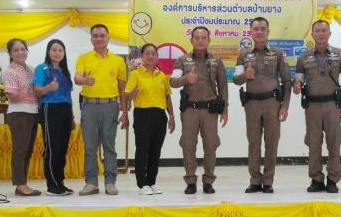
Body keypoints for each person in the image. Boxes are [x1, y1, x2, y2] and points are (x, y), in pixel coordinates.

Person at [294, 20, 341, 194]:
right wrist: (297, 85)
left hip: (333, 105)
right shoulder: (304, 57)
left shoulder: (340, 55)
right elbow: (299, 79)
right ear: (312, 34)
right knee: (313, 143)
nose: (320, 33)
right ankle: (316, 179)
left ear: (329, 33)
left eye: (324, 30)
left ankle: (333, 180)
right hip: (312, 106)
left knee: (334, 142)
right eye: (317, 31)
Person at [233, 16, 291, 193]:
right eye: (256, 29)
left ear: (268, 31)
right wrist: (245, 76)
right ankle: (255, 181)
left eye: (262, 29)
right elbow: (236, 79)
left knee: (271, 142)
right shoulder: (243, 55)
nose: (259, 32)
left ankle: (268, 181)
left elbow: (287, 81)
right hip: (251, 103)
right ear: (250, 32)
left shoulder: (278, 54)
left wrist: (285, 106)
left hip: (272, 103)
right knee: (253, 142)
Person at [170, 26, 228, 194]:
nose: (200, 40)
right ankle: (190, 181)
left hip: (210, 110)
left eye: (204, 38)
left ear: (209, 40)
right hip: (190, 110)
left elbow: (223, 86)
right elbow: (172, 82)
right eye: (197, 37)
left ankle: (208, 181)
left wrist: (225, 110)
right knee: (188, 145)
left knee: (211, 145)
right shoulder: (182, 60)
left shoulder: (216, 61)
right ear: (191, 40)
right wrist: (186, 79)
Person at [74, 24, 128, 196]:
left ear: (108, 38)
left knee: (109, 146)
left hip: (111, 106)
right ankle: (91, 183)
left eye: (102, 35)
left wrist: (125, 112)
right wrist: (84, 80)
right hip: (89, 106)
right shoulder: (84, 57)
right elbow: (77, 78)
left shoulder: (118, 60)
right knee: (90, 147)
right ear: (91, 38)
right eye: (95, 36)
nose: (99, 38)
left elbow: (122, 89)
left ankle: (110, 182)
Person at [125, 43, 175, 194]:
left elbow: (167, 97)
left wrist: (171, 117)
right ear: (142, 56)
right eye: (147, 53)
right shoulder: (135, 74)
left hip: (160, 116)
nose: (150, 56)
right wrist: (132, 93)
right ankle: (142, 184)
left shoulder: (162, 76)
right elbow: (127, 95)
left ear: (157, 56)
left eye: (153, 53)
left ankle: (152, 182)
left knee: (155, 150)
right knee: (142, 149)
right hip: (142, 114)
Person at [33, 39, 75, 196]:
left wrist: (71, 117)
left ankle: (60, 182)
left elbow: (68, 95)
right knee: (52, 147)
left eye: (60, 50)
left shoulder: (64, 71)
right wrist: (49, 87)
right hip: (50, 108)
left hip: (65, 110)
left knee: (62, 148)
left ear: (64, 53)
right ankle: (52, 185)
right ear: (48, 52)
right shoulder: (42, 68)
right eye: (54, 49)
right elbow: (37, 90)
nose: (57, 53)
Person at [3, 38, 40, 197]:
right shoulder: (10, 71)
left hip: (33, 112)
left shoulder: (31, 69)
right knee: (20, 150)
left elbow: (38, 91)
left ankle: (22, 183)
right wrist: (28, 90)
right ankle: (20, 184)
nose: (20, 52)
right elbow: (13, 97)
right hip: (19, 113)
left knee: (28, 150)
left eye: (23, 49)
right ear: (10, 53)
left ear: (27, 51)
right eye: (16, 50)